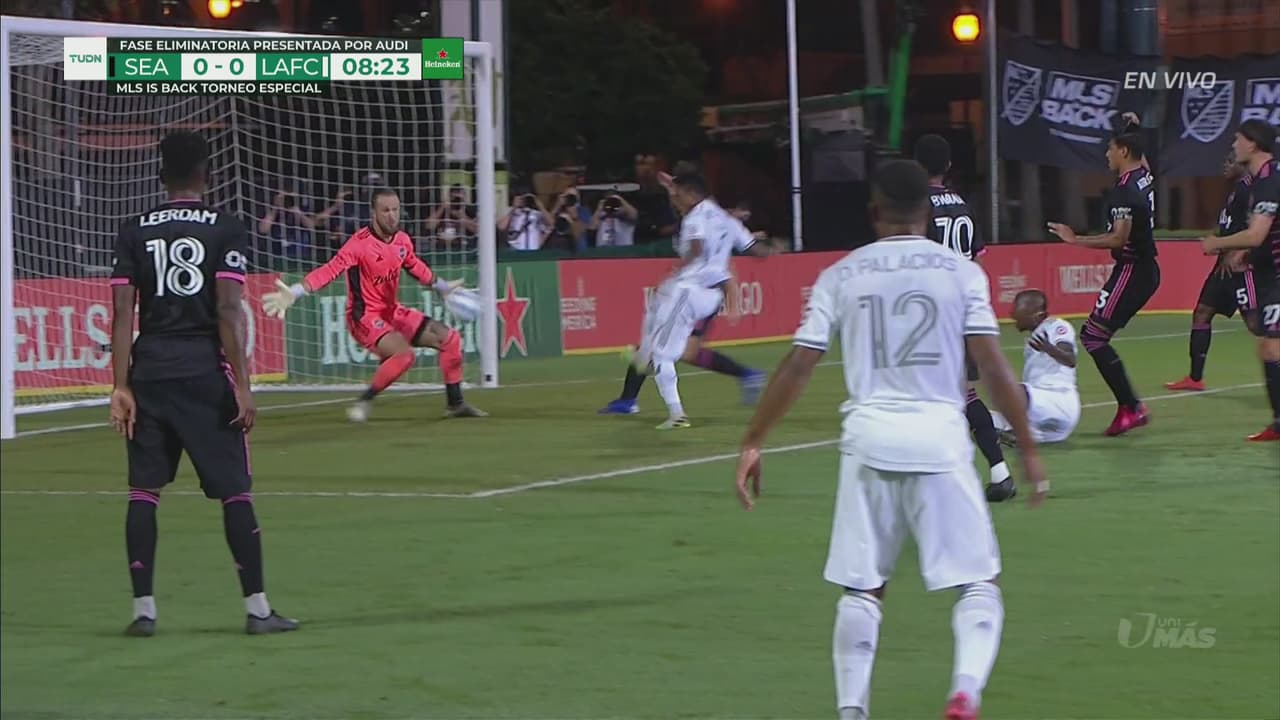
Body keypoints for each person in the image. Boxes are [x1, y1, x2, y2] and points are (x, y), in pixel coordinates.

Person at [732, 159, 1047, 720]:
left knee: (862, 589)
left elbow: (799, 365)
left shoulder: (841, 275)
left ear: (874, 210)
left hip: (869, 444)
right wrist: (1028, 450)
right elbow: (994, 367)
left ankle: (853, 709)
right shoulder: (961, 273)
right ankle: (964, 690)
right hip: (942, 441)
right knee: (978, 582)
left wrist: (753, 440)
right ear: (926, 212)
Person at [109, 131, 297, 637]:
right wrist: (243, 383)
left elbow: (123, 312)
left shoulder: (132, 230)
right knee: (235, 492)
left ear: (160, 175)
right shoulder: (226, 229)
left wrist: (120, 386)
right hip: (202, 371)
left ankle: (143, 612)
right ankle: (258, 610)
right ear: (206, 174)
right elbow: (228, 308)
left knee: (143, 492)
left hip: (149, 372)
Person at [261, 188, 486, 421]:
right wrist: (296, 291)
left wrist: (442, 287)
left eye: (395, 210)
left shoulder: (402, 241)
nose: (392, 216)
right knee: (404, 355)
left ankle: (456, 404)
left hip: (392, 311)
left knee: (450, 340)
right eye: (385, 210)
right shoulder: (358, 245)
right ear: (374, 213)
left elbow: (415, 266)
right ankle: (364, 401)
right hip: (364, 317)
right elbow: (329, 270)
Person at [599, 172, 771, 427]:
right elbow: (755, 250)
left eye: (676, 195)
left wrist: (676, 269)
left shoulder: (696, 217)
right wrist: (776, 248)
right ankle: (629, 396)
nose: (674, 201)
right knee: (666, 345)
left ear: (690, 194)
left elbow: (698, 247)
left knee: (662, 352)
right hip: (708, 295)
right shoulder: (725, 218)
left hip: (687, 290)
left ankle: (675, 414)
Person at [914, 134, 1015, 503]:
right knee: (962, 394)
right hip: (962, 310)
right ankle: (999, 470)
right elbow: (977, 261)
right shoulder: (962, 205)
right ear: (949, 167)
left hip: (930, 314)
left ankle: (936, 479)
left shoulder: (917, 205)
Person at [1048, 128, 1158, 436]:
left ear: (1123, 151)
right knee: (1095, 336)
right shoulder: (1144, 176)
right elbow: (1143, 162)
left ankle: (1131, 407)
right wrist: (1133, 129)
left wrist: (1075, 239)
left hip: (1133, 270)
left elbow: (1119, 237)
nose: (1107, 154)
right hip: (1141, 270)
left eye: (1111, 148)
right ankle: (1131, 406)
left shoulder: (1123, 190)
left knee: (1094, 337)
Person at [1199, 120, 1280, 442]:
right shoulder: (1261, 180)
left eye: (1237, 139)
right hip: (1271, 273)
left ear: (1253, 144)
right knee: (1269, 347)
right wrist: (1246, 250)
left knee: (1271, 347)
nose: (1233, 145)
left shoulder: (1269, 180)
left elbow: (1259, 232)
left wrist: (1217, 244)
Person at [1167, 152, 1257, 391]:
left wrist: (1241, 252)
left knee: (1257, 326)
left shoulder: (1251, 190)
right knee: (1202, 312)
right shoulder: (1235, 190)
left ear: (1243, 164)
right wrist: (1217, 243)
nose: (1224, 165)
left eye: (1230, 162)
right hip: (1223, 267)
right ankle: (1195, 379)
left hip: (1243, 269)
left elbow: (1261, 229)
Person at [991, 289, 1081, 445]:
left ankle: (1015, 430)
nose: (1012, 314)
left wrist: (1048, 348)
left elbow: (1070, 359)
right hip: (1042, 419)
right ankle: (1017, 433)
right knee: (978, 418)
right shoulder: (1035, 336)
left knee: (1009, 388)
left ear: (1036, 315)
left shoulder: (1057, 326)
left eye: (1017, 310)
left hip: (1058, 401)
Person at [423, 184, 479, 250]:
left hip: (463, 248)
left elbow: (477, 230)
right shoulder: (440, 210)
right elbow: (428, 226)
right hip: (440, 247)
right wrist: (442, 207)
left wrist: (462, 216)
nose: (457, 201)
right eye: (454, 198)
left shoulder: (470, 211)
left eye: (460, 199)